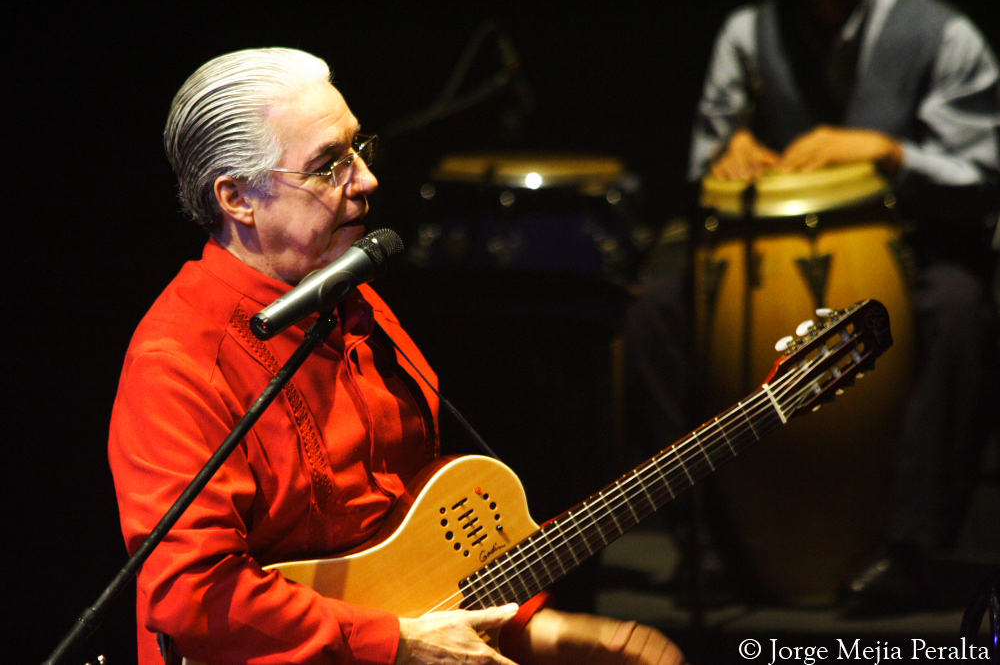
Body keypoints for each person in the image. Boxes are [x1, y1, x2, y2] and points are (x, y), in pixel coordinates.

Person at [108, 48, 685, 665]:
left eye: (358, 149)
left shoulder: (360, 306)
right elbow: (194, 595)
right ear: (237, 199)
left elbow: (422, 563)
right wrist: (398, 644)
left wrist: (547, 632)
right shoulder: (177, 361)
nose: (366, 179)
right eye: (327, 166)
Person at [690, 0, 1000, 613]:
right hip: (775, 248)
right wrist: (730, 157)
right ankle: (711, 545)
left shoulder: (942, 35)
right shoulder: (749, 33)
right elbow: (707, 161)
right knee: (657, 311)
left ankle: (909, 550)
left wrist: (891, 152)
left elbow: (985, 170)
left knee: (959, 309)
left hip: (911, 237)